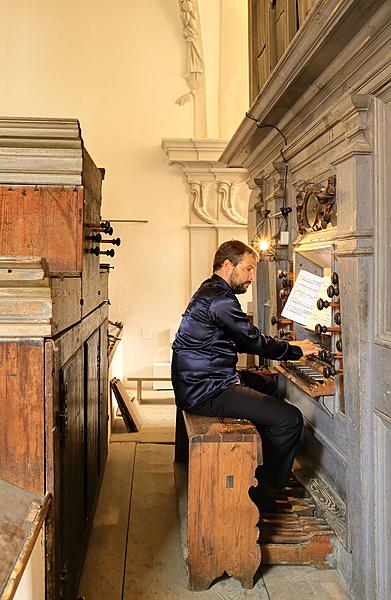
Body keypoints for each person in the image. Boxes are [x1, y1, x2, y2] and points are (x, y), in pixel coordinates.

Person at [171, 239, 319, 492]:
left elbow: (235, 339)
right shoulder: (220, 300)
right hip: (206, 390)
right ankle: (263, 488)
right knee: (290, 419)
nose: (252, 276)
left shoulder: (212, 290)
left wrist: (287, 346)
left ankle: (257, 460)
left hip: (199, 380)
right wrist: (294, 350)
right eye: (248, 268)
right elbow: (251, 341)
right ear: (228, 265)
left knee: (269, 386)